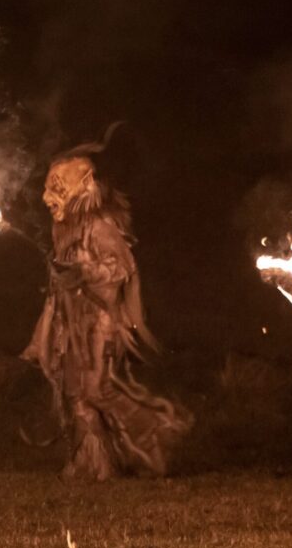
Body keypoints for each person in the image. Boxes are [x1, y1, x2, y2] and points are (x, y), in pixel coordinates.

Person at [22, 141, 191, 481]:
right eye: (48, 187)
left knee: (98, 389)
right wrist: (41, 337)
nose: (47, 197)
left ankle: (160, 431)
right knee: (75, 392)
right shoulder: (63, 230)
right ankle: (94, 465)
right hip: (72, 323)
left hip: (101, 322)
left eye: (58, 187)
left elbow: (120, 269)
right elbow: (58, 288)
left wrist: (82, 272)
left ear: (83, 186)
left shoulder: (100, 224)